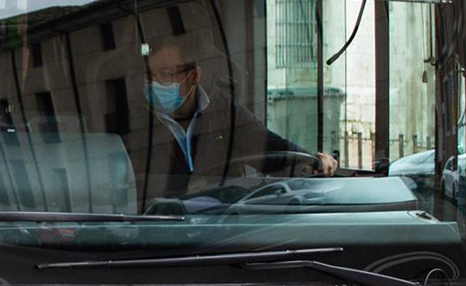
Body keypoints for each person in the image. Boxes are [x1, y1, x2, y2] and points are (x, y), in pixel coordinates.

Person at [140, 35, 338, 201]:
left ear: (193, 76)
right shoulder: (137, 123)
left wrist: (312, 161)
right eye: (150, 76)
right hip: (162, 227)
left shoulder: (223, 111)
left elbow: (266, 144)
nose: (154, 84)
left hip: (224, 224)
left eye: (165, 75)